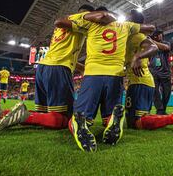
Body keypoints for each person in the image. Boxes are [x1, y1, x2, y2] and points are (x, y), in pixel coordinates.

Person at [0, 5, 100, 134]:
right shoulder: (82, 19)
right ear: (87, 14)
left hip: (44, 67)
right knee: (63, 118)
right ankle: (24, 115)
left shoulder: (68, 24)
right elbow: (60, 22)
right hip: (58, 69)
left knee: (44, 115)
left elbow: (63, 51)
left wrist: (81, 67)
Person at [56, 8, 155, 151]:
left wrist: (85, 16)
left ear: (97, 15)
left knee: (80, 116)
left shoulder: (90, 24)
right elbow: (150, 28)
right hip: (116, 76)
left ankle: (79, 124)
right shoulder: (126, 26)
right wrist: (138, 55)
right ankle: (113, 121)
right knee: (109, 115)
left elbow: (59, 22)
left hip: (93, 74)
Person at [124, 11, 173, 133]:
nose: (125, 21)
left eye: (128, 18)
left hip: (139, 82)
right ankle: (168, 117)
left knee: (135, 123)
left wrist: (137, 57)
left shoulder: (137, 36)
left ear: (133, 22)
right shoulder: (130, 37)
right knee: (138, 120)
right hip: (141, 81)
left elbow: (153, 48)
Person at [149, 29, 171, 115]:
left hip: (165, 72)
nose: (160, 36)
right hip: (154, 71)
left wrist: (152, 41)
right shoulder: (150, 45)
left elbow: (166, 48)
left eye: (160, 34)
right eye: (157, 35)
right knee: (155, 92)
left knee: (167, 92)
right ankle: (160, 109)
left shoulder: (166, 43)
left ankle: (163, 108)